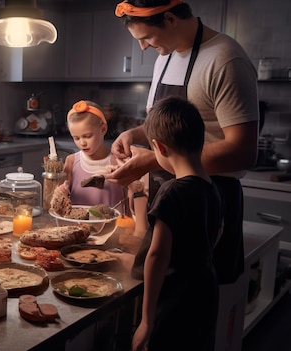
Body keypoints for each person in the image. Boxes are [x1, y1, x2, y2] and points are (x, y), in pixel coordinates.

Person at [109, 1, 259, 349]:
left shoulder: (225, 59)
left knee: (189, 315)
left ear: (172, 18)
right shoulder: (166, 55)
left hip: (206, 199)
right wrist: (135, 135)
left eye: (146, 37)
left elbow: (243, 150)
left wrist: (157, 162)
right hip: (167, 196)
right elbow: (163, 126)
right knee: (153, 299)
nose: (143, 47)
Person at [132, 96, 223, 351]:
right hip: (205, 291)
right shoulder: (211, 187)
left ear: (158, 148)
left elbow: (158, 254)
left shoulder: (172, 191)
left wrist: (147, 321)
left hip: (176, 298)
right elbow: (217, 233)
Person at [58, 100, 123, 207]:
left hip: (111, 222)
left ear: (103, 129)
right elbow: (63, 195)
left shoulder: (116, 161)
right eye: (76, 138)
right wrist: (62, 191)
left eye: (87, 136)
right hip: (78, 222)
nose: (82, 143)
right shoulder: (71, 161)